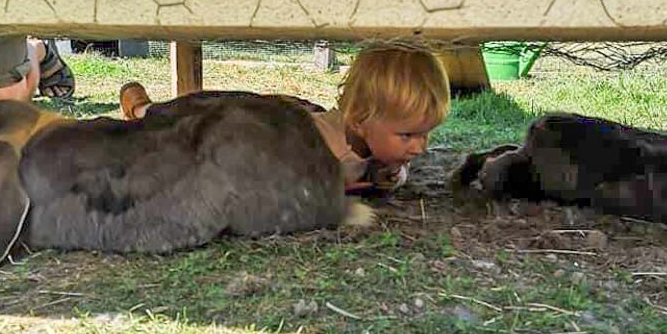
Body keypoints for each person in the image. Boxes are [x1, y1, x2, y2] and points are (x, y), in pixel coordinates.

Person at [118, 45, 451, 193]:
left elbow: (381, 170)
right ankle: (142, 110)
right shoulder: (316, 144)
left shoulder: (372, 136)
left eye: (426, 134)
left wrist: (392, 172)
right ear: (362, 120)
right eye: (408, 136)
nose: (420, 148)